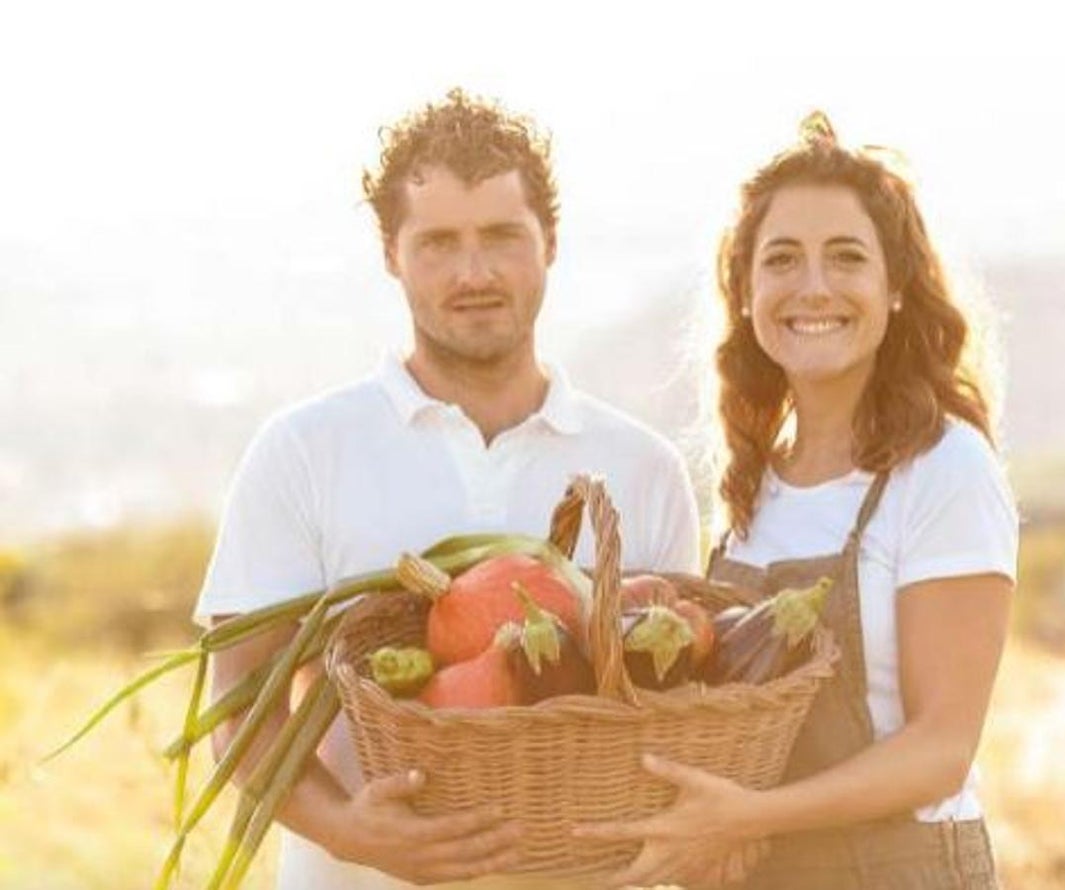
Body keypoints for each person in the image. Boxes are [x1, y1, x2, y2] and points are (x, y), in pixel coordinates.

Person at [194, 88, 700, 890]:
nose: (474, 273)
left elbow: (680, 704)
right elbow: (238, 714)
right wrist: (350, 834)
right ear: (391, 254)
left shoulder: (641, 467)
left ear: (550, 243)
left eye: (502, 236)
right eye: (437, 243)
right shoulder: (302, 452)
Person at [575, 112, 1018, 889]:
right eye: (782, 259)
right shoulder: (754, 488)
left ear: (895, 288)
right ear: (746, 294)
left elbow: (941, 750)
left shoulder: (944, 468)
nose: (813, 287)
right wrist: (714, 832)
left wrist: (750, 816)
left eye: (846, 257)